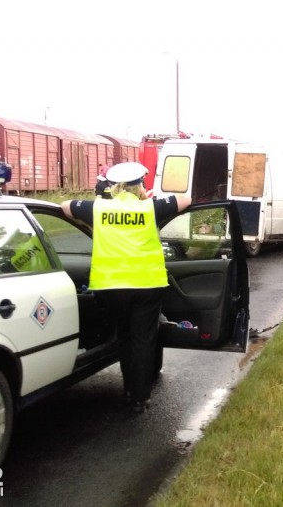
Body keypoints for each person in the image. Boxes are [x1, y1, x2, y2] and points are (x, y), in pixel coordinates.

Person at [61, 162, 191, 413]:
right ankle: (139, 397)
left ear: (114, 188)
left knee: (124, 337)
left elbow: (66, 207)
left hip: (111, 286)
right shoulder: (150, 208)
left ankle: (129, 389)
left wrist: (101, 201)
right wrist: (151, 198)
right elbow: (186, 200)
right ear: (139, 186)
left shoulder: (98, 209)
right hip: (147, 284)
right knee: (143, 339)